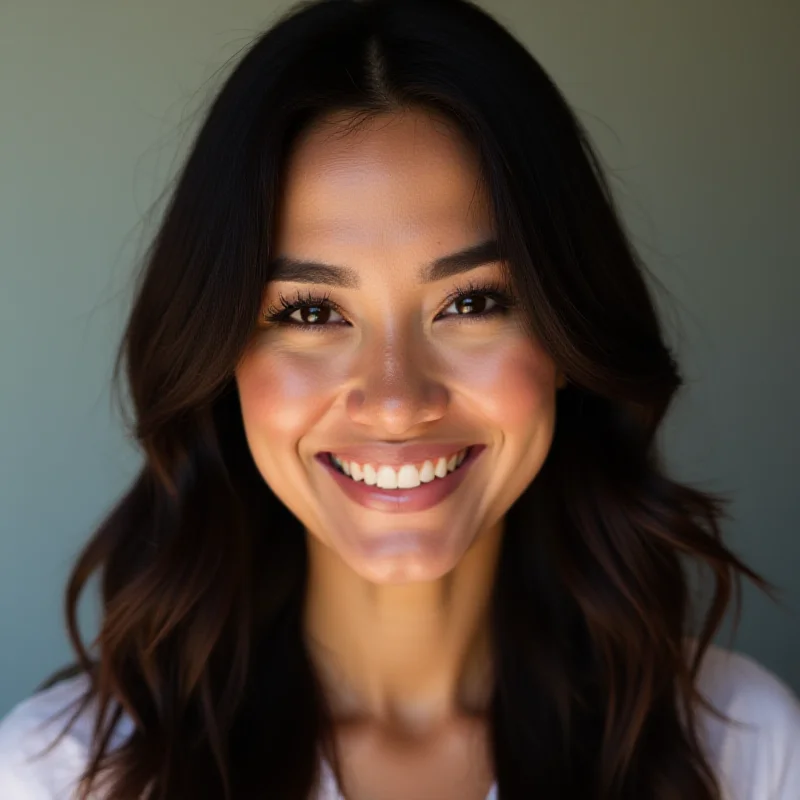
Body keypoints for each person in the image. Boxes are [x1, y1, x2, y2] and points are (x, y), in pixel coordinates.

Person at [1, 0, 798, 797]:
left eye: (473, 303)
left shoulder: (742, 746)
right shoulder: (63, 776)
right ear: (221, 359)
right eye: (310, 313)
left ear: (564, 336)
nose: (395, 400)